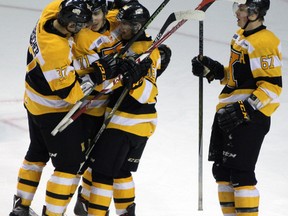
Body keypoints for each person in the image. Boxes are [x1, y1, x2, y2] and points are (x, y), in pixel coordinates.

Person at [9, 0, 119, 215]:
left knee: (37, 151)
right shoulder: (55, 49)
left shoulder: (52, 10)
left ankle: (20, 207)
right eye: (80, 25)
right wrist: (98, 74)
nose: (85, 26)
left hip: (32, 99)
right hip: (52, 110)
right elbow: (71, 94)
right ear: (71, 26)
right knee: (70, 164)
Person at [72, 1, 171, 215]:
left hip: (127, 123)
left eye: (125, 24)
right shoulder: (132, 47)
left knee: (101, 173)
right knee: (121, 171)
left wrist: (133, 80)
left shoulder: (146, 52)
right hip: (136, 125)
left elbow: (148, 94)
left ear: (137, 26)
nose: (120, 27)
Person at [191, 0, 282, 215]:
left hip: (249, 117)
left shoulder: (264, 41)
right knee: (222, 173)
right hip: (228, 112)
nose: (237, 13)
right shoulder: (240, 36)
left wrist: (246, 109)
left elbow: (272, 87)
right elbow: (236, 78)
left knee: (241, 175)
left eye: (241, 9)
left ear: (254, 13)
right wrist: (212, 70)